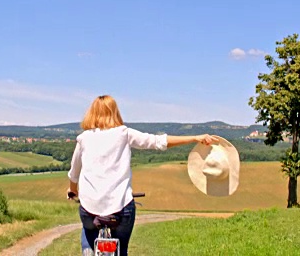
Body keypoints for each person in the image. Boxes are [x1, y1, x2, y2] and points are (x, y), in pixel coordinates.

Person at [67, 95, 218, 256]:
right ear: (115, 113)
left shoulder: (83, 139)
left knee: (88, 231)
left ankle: (88, 251)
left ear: (92, 114)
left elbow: (74, 174)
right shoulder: (124, 133)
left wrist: (73, 190)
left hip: (91, 208)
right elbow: (158, 141)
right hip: (121, 207)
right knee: (121, 248)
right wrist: (194, 137)